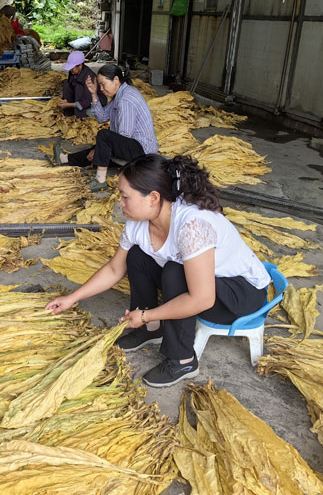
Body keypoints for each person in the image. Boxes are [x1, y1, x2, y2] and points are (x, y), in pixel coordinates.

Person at [46, 154, 271, 387]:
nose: (120, 203)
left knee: (176, 272)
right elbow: (114, 269)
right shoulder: (139, 222)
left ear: (153, 197)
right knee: (137, 256)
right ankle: (151, 330)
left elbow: (202, 299)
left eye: (125, 197)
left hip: (241, 297)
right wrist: (71, 299)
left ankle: (183, 359)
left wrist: (147, 313)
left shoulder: (192, 226)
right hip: (209, 288)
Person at [53, 64, 157, 192]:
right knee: (100, 147)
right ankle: (64, 159)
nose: (101, 89)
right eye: (100, 86)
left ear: (116, 80)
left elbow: (124, 135)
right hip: (132, 147)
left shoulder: (126, 100)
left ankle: (100, 180)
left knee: (104, 137)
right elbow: (102, 117)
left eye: (103, 84)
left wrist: (102, 149)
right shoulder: (119, 95)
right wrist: (93, 94)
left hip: (142, 152)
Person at [57, 51, 106, 119]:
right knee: (66, 85)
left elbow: (87, 101)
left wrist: (69, 105)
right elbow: (70, 83)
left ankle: (80, 117)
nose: (71, 70)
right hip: (81, 97)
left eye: (72, 68)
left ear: (80, 65)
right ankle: (69, 114)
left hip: (93, 101)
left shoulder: (89, 78)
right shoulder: (73, 72)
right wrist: (62, 94)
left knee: (78, 88)